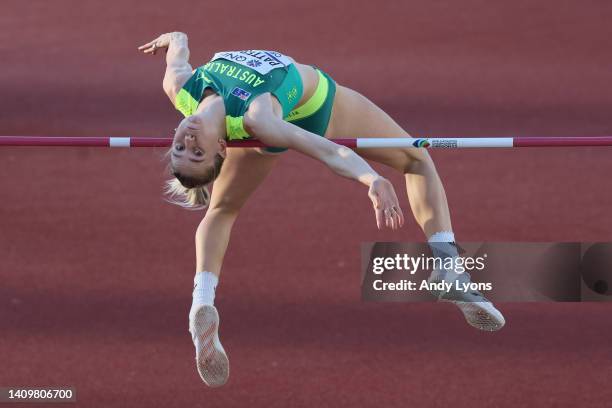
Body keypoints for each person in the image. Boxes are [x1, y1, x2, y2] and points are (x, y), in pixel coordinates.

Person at [138, 32, 505, 387]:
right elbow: (328, 151)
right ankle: (449, 268)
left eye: (179, 151)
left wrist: (172, 38)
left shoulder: (180, 88)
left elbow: (179, 48)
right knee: (416, 158)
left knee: (222, 209)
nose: (185, 143)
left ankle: (201, 302)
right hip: (316, 109)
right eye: (196, 153)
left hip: (274, 118)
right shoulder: (258, 119)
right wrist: (370, 178)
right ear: (221, 148)